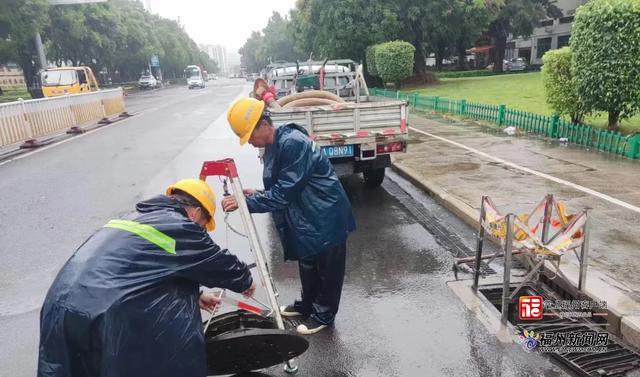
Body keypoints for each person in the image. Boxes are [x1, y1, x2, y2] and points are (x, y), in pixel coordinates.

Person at [38, 179, 256, 377]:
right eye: (203, 224)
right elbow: (218, 263)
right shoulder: (180, 226)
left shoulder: (134, 219)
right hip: (103, 312)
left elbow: (136, 269)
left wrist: (196, 294)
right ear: (196, 213)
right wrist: (246, 280)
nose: (201, 230)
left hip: (59, 304)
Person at [222, 97, 355, 335]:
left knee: (328, 268)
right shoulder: (275, 144)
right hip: (307, 213)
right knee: (308, 264)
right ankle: (307, 305)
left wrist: (245, 202)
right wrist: (258, 193)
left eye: (250, 136)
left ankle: (324, 314)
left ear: (264, 125)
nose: (250, 143)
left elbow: (283, 193)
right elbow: (285, 185)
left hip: (325, 214)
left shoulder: (292, 143)